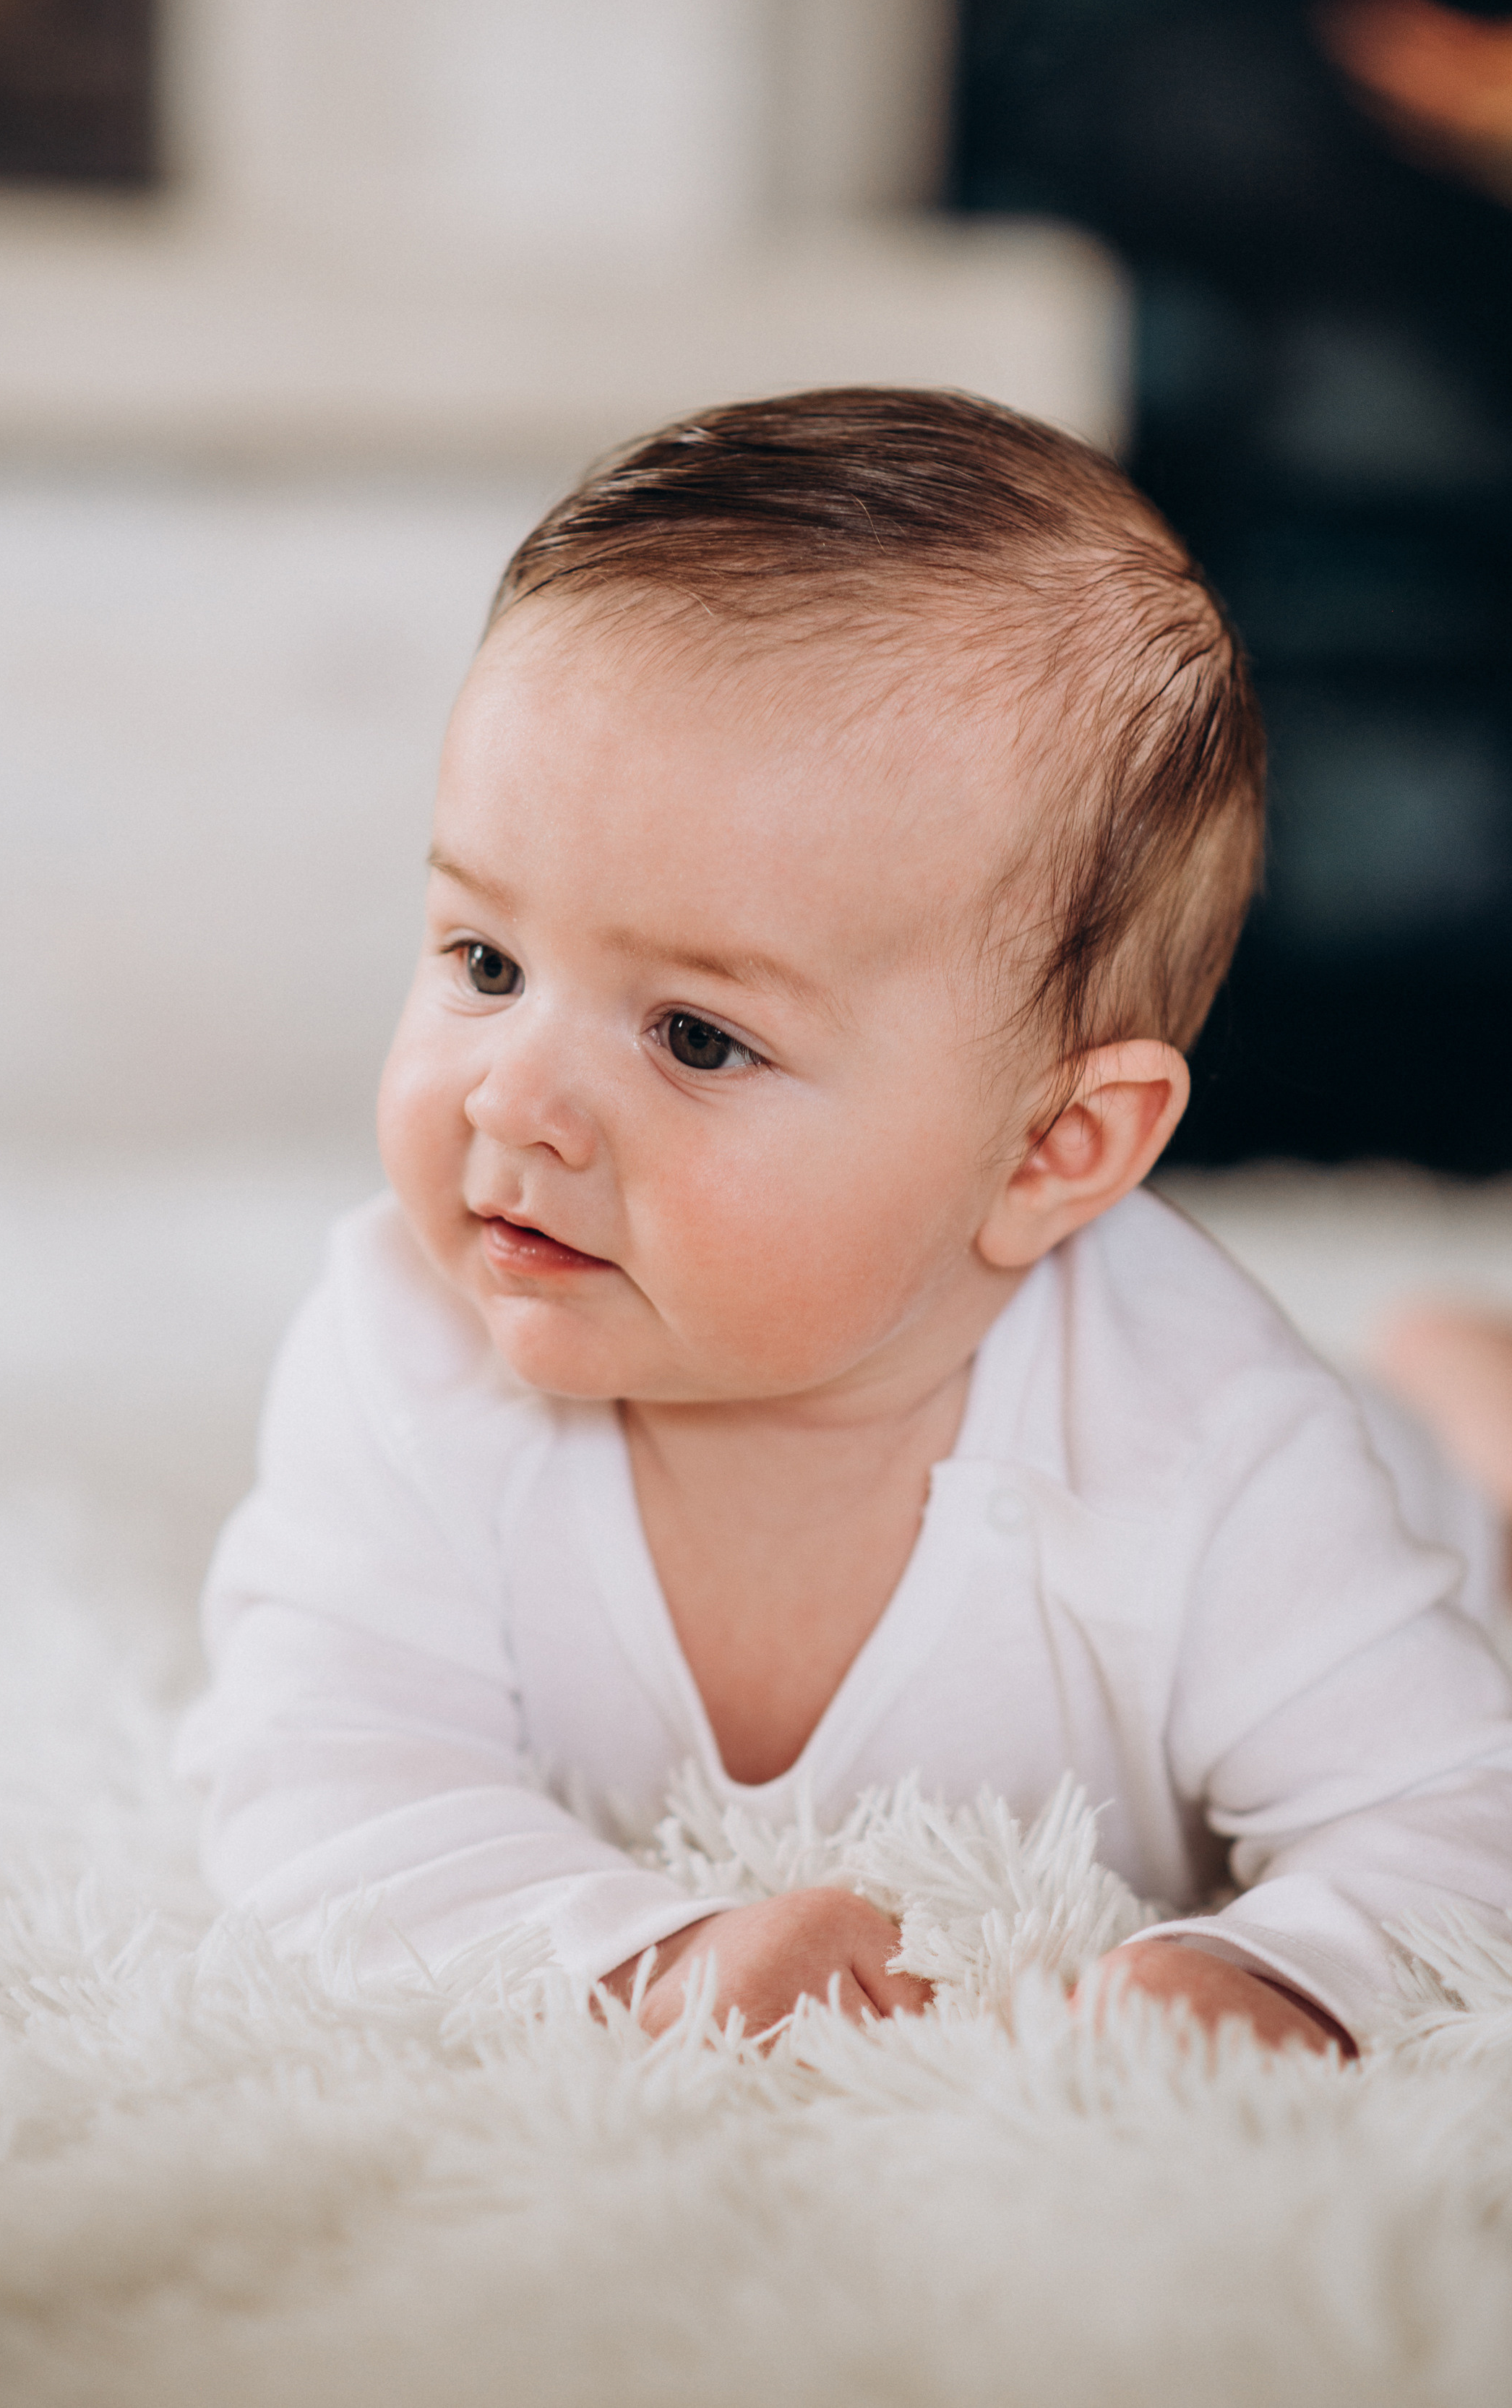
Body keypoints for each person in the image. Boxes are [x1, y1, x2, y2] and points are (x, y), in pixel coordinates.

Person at [176, 388, 1512, 2060]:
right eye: (484, 960)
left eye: (696, 1036)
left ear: (1050, 1149)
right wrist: (640, 1961)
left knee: (1462, 1494)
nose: (512, 1100)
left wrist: (1289, 1971)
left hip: (1380, 1488)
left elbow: (1456, 1805)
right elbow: (320, 1779)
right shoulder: (404, 1345)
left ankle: (1459, 1392)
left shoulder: (1212, 1450)